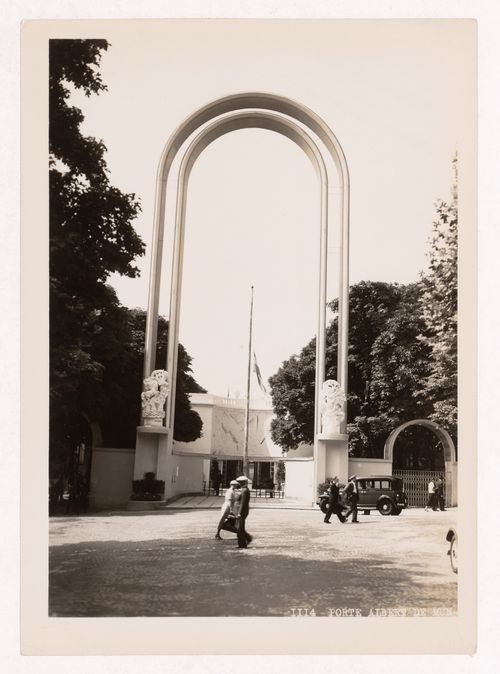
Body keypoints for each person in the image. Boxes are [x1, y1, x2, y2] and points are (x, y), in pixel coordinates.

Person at [235, 475, 252, 548]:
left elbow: (243, 502)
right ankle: (242, 543)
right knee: (239, 528)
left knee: (240, 528)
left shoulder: (244, 490)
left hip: (242, 512)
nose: (239, 483)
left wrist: (239, 513)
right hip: (241, 511)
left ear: (244, 482)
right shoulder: (243, 489)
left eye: (240, 482)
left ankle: (242, 544)